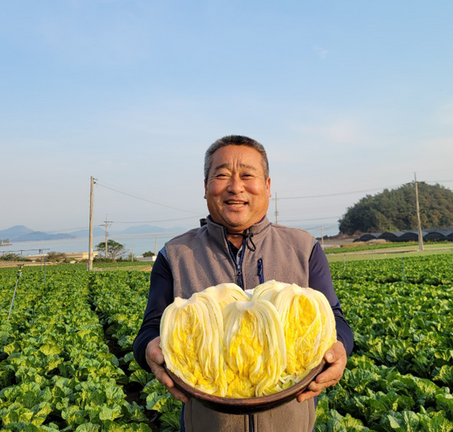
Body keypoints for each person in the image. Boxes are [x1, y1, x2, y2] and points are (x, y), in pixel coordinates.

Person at [133, 135, 353, 432]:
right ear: (206, 187)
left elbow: (334, 319)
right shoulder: (174, 255)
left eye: (247, 175)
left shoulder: (303, 248)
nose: (236, 187)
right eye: (222, 175)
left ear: (267, 186)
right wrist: (149, 350)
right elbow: (150, 328)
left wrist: (341, 347)